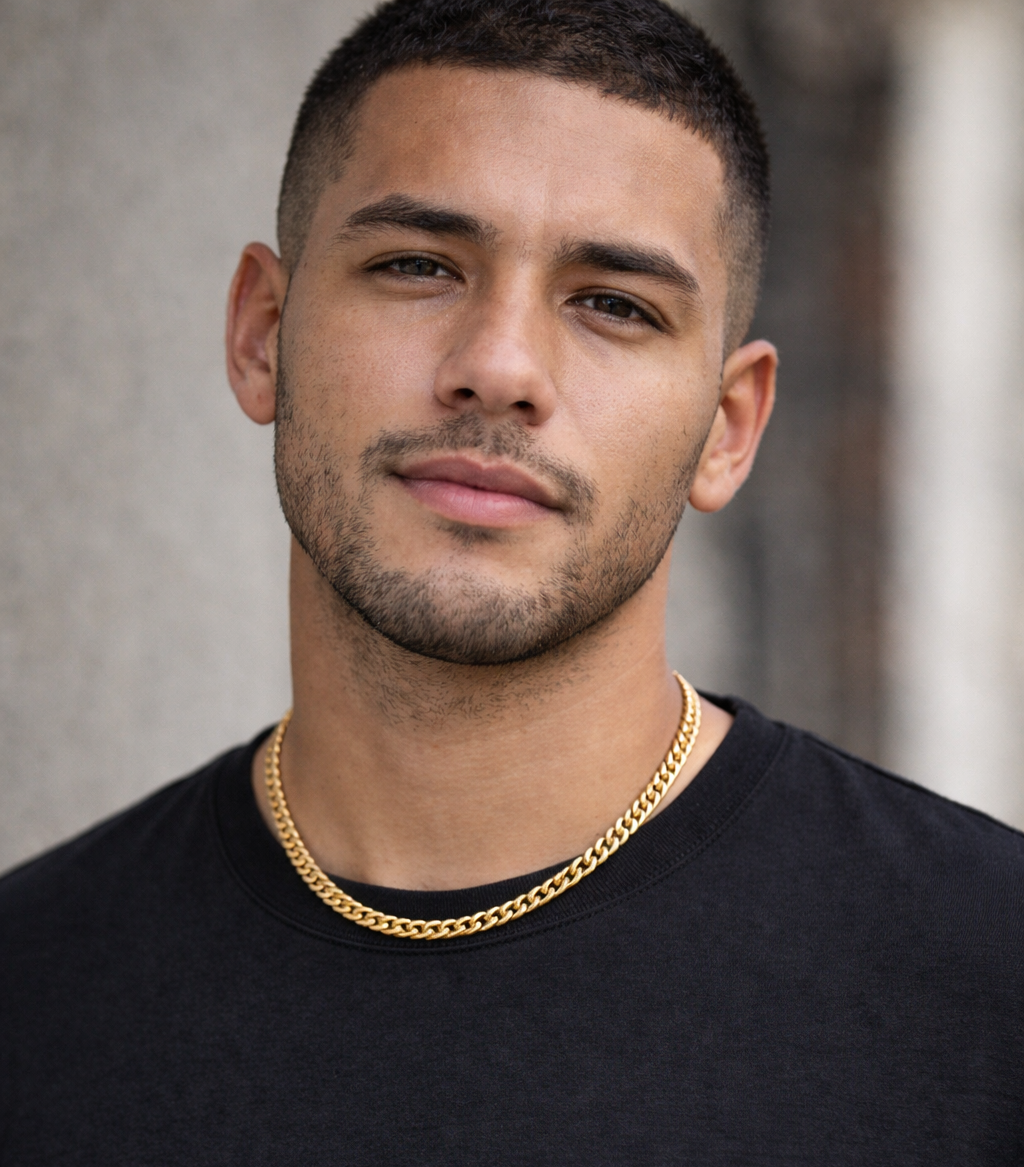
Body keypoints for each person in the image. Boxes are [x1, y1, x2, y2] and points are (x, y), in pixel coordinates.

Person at [2, 0, 1022, 1160]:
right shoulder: (31, 995)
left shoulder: (988, 984)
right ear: (261, 334)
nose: (497, 367)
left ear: (728, 429)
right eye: (417, 266)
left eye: (614, 305)